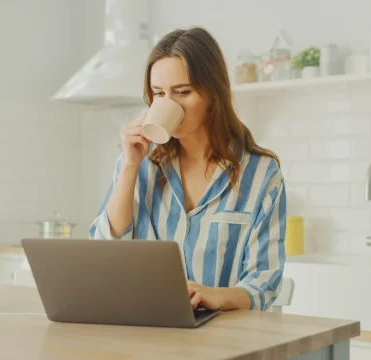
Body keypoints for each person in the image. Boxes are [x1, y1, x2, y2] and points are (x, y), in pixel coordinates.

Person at [89, 27, 287, 312]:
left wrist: (217, 296)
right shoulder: (139, 164)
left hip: (223, 341)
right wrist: (130, 166)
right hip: (143, 330)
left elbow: (265, 281)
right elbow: (106, 252)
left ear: (213, 95)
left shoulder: (260, 175)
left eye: (182, 92)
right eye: (159, 94)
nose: (169, 104)